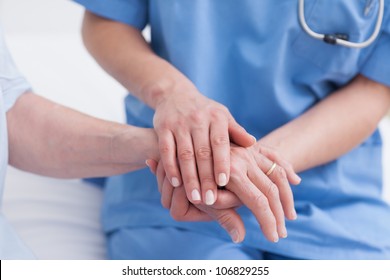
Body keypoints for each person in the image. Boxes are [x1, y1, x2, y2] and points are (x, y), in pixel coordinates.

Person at [74, 0, 390, 259]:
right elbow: (106, 21)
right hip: (177, 189)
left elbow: (374, 89)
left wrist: (256, 162)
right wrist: (174, 95)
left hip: (333, 201)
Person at [0, 24, 259, 259]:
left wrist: (180, 151)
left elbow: (12, 115)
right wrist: (203, 156)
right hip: (162, 206)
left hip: (295, 194)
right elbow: (106, 22)